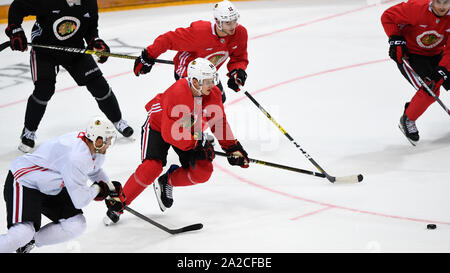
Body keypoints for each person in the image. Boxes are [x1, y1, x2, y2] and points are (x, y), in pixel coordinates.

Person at [104, 58, 249, 224]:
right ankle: (120, 202)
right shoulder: (178, 93)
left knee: (203, 171)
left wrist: (232, 147)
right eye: (208, 81)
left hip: (187, 126)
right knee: (152, 167)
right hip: (159, 125)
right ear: (195, 81)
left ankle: (167, 180)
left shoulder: (212, 93)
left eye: (213, 80)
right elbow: (170, 134)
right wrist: (198, 143)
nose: (212, 85)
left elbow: (218, 121)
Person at [5, 0, 134, 153]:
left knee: (98, 84)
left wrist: (96, 42)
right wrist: (15, 30)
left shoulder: (89, 3)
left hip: (74, 49)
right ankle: (29, 131)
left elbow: (91, 28)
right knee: (44, 89)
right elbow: (18, 6)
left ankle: (118, 121)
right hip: (44, 51)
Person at [0, 116, 126, 253]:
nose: (109, 144)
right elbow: (80, 200)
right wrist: (100, 188)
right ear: (99, 140)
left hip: (50, 186)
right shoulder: (76, 157)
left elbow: (94, 170)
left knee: (76, 225)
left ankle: (30, 241)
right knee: (22, 233)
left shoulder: (94, 148)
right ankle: (24, 239)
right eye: (108, 140)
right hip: (25, 181)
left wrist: (111, 192)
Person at [133, 0, 249, 103]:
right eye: (228, 22)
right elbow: (168, 39)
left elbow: (238, 57)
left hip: (208, 72)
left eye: (234, 21)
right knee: (197, 103)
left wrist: (237, 72)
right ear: (218, 21)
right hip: (187, 70)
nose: (233, 26)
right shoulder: (200, 33)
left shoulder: (240, 33)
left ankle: (197, 124)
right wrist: (148, 55)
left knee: (218, 99)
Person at [381, 0, 450, 145]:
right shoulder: (415, 8)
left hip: (438, 54)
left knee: (441, 78)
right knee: (430, 89)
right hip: (412, 55)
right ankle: (408, 119)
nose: (442, 7)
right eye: (438, 2)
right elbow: (388, 16)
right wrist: (395, 38)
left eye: (446, 2)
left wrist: (444, 69)